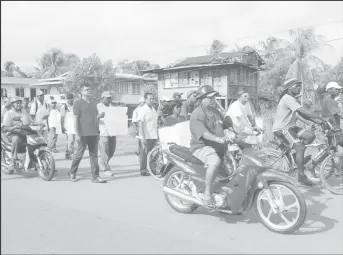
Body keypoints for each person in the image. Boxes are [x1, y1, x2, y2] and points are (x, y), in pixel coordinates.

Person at [272, 78, 326, 186]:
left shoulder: (292, 99)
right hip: (282, 129)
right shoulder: (287, 98)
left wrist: (318, 121)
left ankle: (297, 157)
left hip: (291, 127)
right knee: (300, 147)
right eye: (296, 86)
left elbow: (302, 115)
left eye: (300, 86)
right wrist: (320, 117)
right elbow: (302, 111)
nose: (299, 88)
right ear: (289, 88)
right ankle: (302, 176)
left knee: (310, 136)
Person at [189, 85, 231, 209]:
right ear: (202, 99)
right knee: (215, 162)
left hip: (218, 146)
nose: (213, 99)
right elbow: (204, 134)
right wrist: (218, 139)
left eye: (214, 97)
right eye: (210, 97)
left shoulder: (215, 111)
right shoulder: (197, 114)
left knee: (234, 168)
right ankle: (207, 193)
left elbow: (223, 125)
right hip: (201, 147)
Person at [68, 84, 106, 183]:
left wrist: (99, 119)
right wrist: (77, 134)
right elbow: (75, 120)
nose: (89, 91)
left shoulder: (94, 103)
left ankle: (95, 177)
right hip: (83, 134)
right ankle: (72, 172)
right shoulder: (77, 103)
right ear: (81, 92)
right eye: (86, 89)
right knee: (79, 154)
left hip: (93, 133)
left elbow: (94, 118)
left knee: (94, 155)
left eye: (90, 89)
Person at [2, 97, 32, 170]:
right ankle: (13, 159)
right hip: (12, 134)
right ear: (13, 105)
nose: (19, 105)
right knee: (16, 139)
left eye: (20, 103)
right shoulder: (9, 113)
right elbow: (5, 128)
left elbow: (31, 121)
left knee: (34, 138)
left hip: (24, 132)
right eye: (17, 103)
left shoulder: (24, 112)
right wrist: (14, 127)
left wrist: (38, 124)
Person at [138, 92, 158, 176]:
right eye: (150, 99)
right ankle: (143, 170)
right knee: (144, 154)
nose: (152, 100)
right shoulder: (143, 109)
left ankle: (152, 170)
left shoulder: (153, 109)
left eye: (153, 98)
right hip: (146, 136)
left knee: (154, 154)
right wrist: (142, 137)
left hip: (154, 135)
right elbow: (140, 124)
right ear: (145, 100)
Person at [97, 91, 116, 177]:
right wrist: (98, 117)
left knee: (111, 151)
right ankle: (106, 169)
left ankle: (102, 162)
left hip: (112, 132)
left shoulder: (112, 107)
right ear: (102, 98)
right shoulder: (98, 107)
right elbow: (93, 118)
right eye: (107, 98)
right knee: (104, 151)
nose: (109, 99)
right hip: (103, 132)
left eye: (110, 98)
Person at [60, 93, 75, 160]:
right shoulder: (64, 107)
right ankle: (71, 153)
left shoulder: (75, 106)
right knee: (71, 140)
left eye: (70, 98)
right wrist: (62, 127)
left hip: (74, 126)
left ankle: (67, 154)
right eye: (68, 98)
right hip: (67, 126)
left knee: (71, 140)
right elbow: (62, 118)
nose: (69, 100)